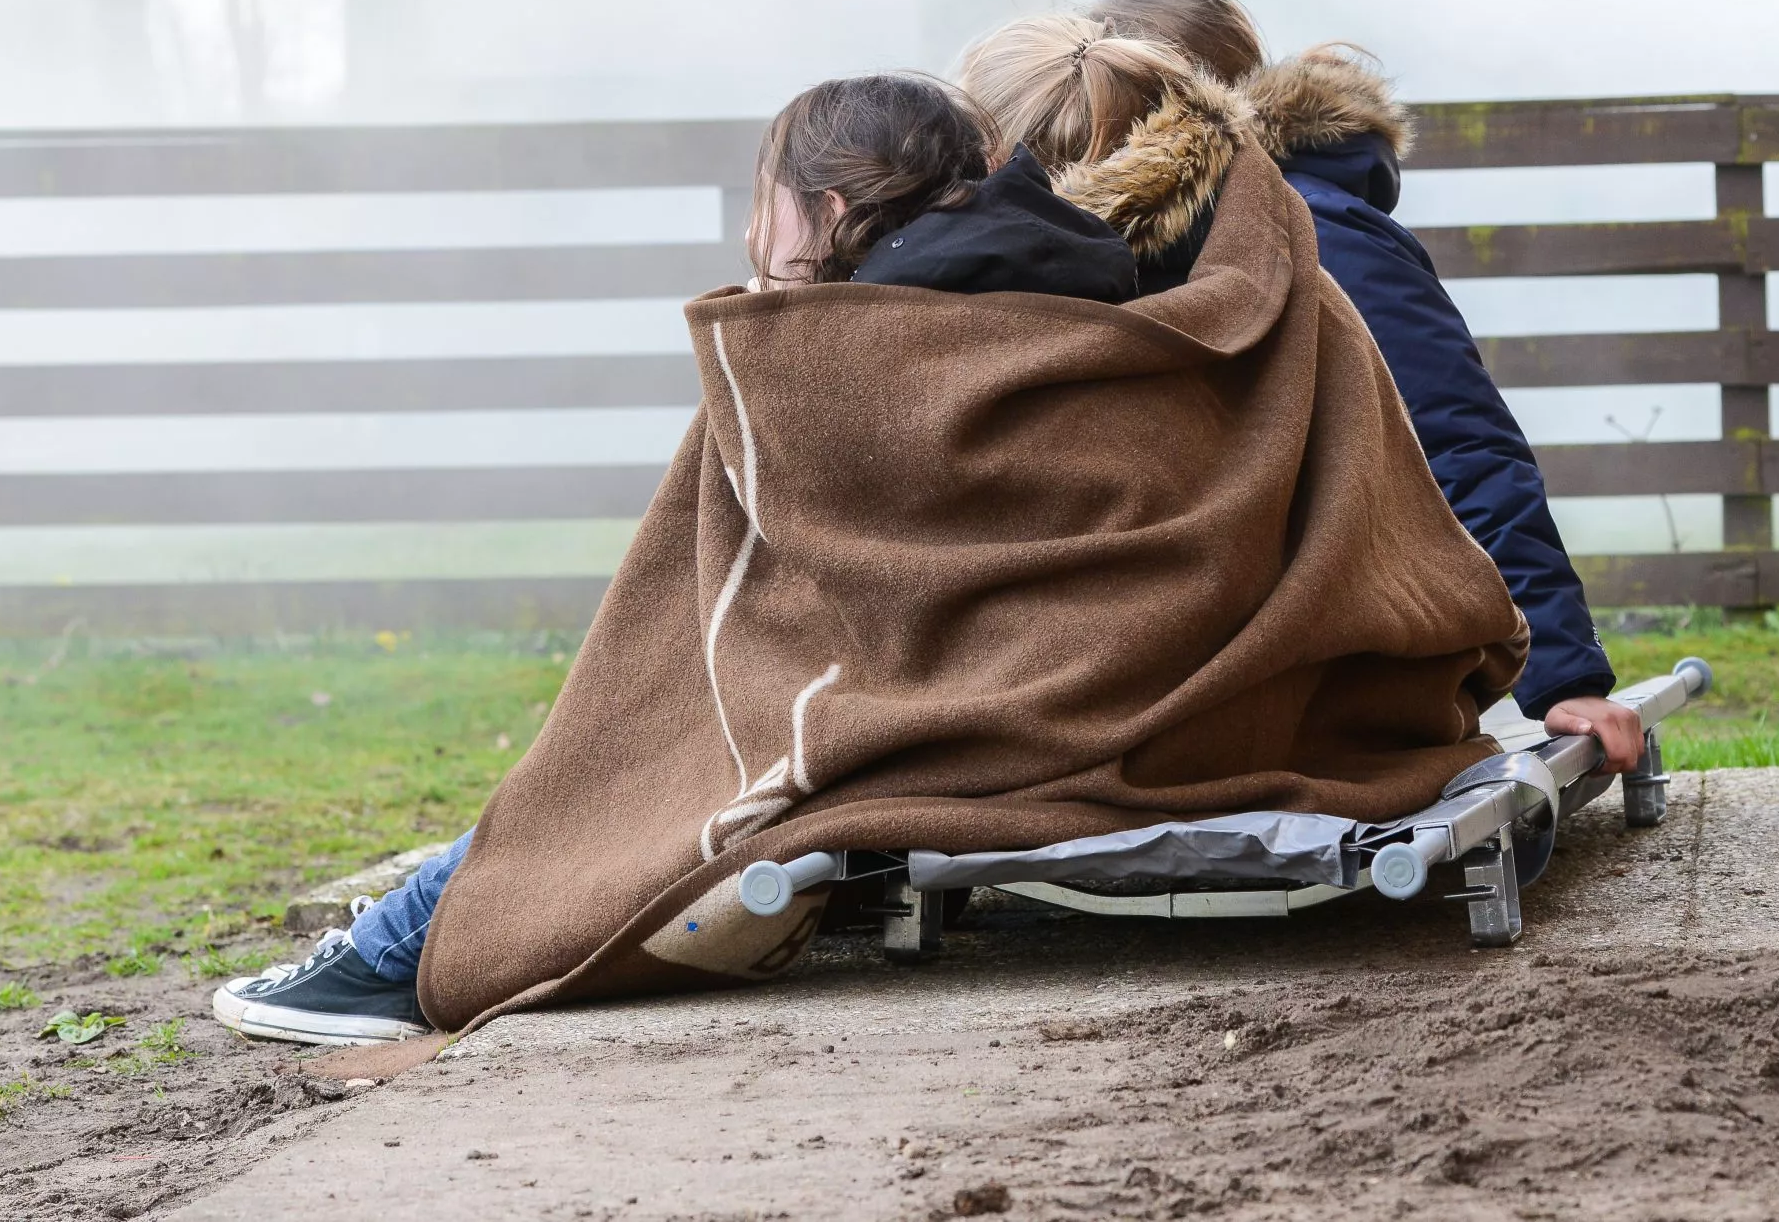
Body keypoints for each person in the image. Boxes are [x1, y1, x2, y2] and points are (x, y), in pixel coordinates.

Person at [212, 74, 1138, 1046]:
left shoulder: (845, 351)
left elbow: (777, 597)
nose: (753, 238)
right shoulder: (1082, 287)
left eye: (765, 203)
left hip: (936, 714)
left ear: (824, 210)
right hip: (1076, 686)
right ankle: (401, 929)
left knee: (632, 745)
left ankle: (400, 948)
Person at [962, 0, 1642, 771]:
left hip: (1305, 650)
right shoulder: (1063, 251)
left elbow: (1455, 439)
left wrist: (1562, 672)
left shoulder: (1314, 232)